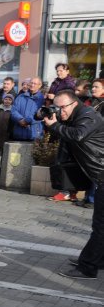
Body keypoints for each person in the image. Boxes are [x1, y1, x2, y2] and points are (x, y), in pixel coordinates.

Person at [41, 90, 104, 279]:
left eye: (63, 108)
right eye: (57, 107)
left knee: (100, 226)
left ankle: (88, 267)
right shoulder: (75, 116)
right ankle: (98, 260)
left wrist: (55, 126)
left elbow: (77, 135)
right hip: (100, 175)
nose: (60, 112)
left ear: (74, 104)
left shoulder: (88, 116)